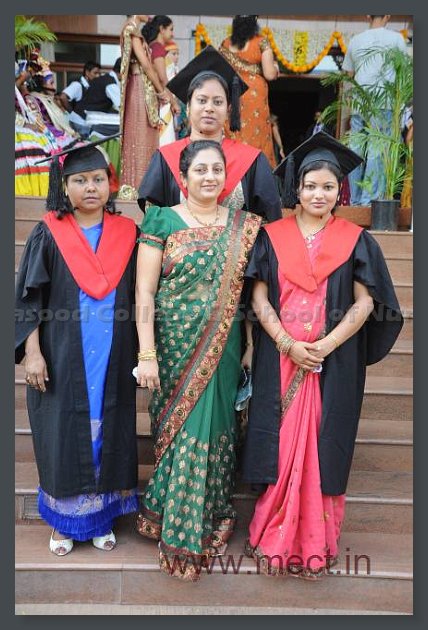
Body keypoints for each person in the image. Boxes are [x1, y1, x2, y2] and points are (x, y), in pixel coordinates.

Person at [242, 131, 403, 579]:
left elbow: (366, 303)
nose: (319, 194)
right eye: (311, 185)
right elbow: (257, 297)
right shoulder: (270, 237)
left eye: (328, 187)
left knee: (322, 443)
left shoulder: (357, 240)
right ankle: (274, 534)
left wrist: (326, 346)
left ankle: (316, 540)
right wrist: (288, 343)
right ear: (296, 189)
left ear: (339, 192)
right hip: (281, 358)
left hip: (333, 363)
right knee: (280, 444)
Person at [135, 140, 262, 580]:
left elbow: (250, 294)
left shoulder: (245, 226)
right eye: (200, 170)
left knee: (217, 427)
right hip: (173, 347)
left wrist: (249, 343)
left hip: (225, 348)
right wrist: (146, 353)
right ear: (183, 177)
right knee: (181, 429)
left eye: (217, 170)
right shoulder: (161, 219)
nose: (210, 177)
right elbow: (145, 291)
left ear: (227, 177)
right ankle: (171, 520)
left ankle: (209, 514)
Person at [15, 136, 139, 556]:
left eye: (98, 179)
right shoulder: (49, 233)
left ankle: (101, 520)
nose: (91, 187)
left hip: (113, 354)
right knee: (64, 435)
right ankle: (63, 524)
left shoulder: (128, 233)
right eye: (80, 180)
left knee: (108, 429)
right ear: (64, 186)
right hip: (63, 354)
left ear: (111, 183)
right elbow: (29, 298)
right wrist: (33, 352)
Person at [138, 45, 282, 222]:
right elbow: (153, 218)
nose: (209, 108)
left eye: (218, 102)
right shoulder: (165, 158)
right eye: (202, 100)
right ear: (188, 107)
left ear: (228, 110)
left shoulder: (252, 160)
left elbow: (268, 219)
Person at [342, 15, 408, 205]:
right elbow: (403, 72)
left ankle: (355, 201)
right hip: (384, 103)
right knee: (376, 151)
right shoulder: (396, 38)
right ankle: (368, 201)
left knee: (356, 150)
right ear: (387, 15)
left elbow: (348, 74)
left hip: (359, 103)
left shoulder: (355, 40)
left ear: (367, 16)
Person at [118, 15, 170, 199]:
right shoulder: (131, 30)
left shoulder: (132, 30)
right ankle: (138, 190)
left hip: (140, 87)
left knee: (143, 137)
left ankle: (142, 189)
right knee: (140, 138)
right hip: (140, 87)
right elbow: (146, 65)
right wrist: (161, 91)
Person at [220, 15, 279, 168]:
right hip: (254, 95)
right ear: (254, 22)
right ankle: (256, 170)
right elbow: (269, 74)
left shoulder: (226, 43)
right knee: (256, 133)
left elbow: (219, 70)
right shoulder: (261, 42)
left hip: (232, 93)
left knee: (233, 132)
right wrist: (276, 68)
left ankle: (232, 168)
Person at [141, 16, 180, 146]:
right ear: (162, 29)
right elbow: (163, 79)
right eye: (171, 29)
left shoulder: (152, 46)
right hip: (162, 100)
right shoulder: (157, 48)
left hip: (155, 99)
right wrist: (174, 102)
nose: (172, 34)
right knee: (165, 143)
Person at [59, 61, 101, 137]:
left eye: (99, 73)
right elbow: (63, 97)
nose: (97, 76)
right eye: (95, 73)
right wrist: (71, 112)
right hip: (78, 124)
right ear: (87, 72)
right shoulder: (77, 85)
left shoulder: (90, 86)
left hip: (84, 124)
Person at [160, 40, 180, 145]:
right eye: (173, 54)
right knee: (166, 137)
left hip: (172, 105)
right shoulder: (165, 68)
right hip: (164, 105)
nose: (177, 57)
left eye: (178, 54)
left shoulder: (174, 68)